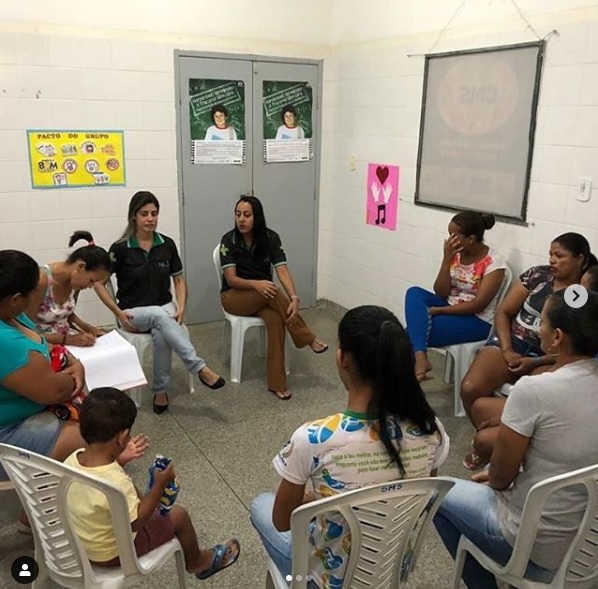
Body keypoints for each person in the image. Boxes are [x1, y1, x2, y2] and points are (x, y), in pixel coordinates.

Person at [250, 305, 449, 586]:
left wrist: (318, 498)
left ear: (342, 358)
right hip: (391, 572)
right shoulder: (429, 427)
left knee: (261, 504)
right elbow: (423, 494)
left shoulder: (313, 438)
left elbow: (282, 521)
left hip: (327, 580)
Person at [434, 290, 598, 589]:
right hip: (587, 547)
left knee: (435, 493)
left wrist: (498, 475)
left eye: (542, 322)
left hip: (532, 545)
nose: (539, 329)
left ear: (557, 337)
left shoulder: (535, 390)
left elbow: (500, 479)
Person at [0, 250, 147, 484]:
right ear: (16, 298)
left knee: (101, 417)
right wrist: (74, 376)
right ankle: (103, 471)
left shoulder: (13, 315)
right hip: (8, 432)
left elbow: (43, 340)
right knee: (99, 438)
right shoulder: (6, 340)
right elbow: (53, 391)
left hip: (34, 406)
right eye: (31, 294)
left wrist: (72, 361)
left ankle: (103, 463)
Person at [65, 387, 240, 579]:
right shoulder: (116, 482)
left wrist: (119, 460)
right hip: (112, 554)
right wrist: (159, 485)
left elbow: (99, 480)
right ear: (122, 437)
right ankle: (197, 562)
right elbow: (137, 522)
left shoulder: (72, 459)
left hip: (83, 545)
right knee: (179, 516)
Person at [460, 232, 597, 467]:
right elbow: (503, 312)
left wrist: (535, 362)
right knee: (470, 388)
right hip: (514, 341)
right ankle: (491, 446)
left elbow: (574, 346)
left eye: (559, 256)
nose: (552, 260)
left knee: (538, 401)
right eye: (550, 254)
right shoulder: (538, 275)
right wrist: (507, 349)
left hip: (550, 356)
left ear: (580, 259)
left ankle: (510, 448)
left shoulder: (584, 293)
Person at [94, 191, 225, 414]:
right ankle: (198, 367)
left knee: (161, 329)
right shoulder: (120, 248)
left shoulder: (167, 244)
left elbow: (179, 280)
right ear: (133, 216)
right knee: (158, 315)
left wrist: (181, 307)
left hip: (164, 307)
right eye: (144, 214)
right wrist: (118, 312)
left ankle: (160, 390)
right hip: (132, 311)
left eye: (154, 213)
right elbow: (98, 283)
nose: (150, 219)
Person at [219, 195, 328, 400]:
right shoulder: (229, 240)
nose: (241, 219)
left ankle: (277, 383)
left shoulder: (270, 238)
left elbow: (282, 270)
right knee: (273, 291)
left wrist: (294, 297)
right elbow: (231, 279)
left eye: (247, 215)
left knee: (277, 319)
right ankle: (307, 337)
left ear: (257, 217)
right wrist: (257, 284)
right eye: (238, 214)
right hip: (233, 297)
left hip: (264, 296)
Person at [404, 211, 505, 382]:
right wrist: (446, 259)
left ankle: (413, 371)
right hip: (450, 306)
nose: (449, 240)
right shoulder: (456, 254)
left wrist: (440, 311)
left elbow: (478, 305)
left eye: (454, 235)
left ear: (471, 239)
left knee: (409, 335)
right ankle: (420, 357)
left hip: (477, 320)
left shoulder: (494, 264)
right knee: (414, 293)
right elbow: (441, 293)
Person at [28, 231, 110, 347]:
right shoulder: (41, 281)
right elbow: (24, 329)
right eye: (91, 281)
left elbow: (66, 314)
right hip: (41, 344)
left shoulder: (75, 283)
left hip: (67, 340)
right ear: (81, 267)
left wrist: (87, 327)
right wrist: (66, 339)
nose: (90, 286)